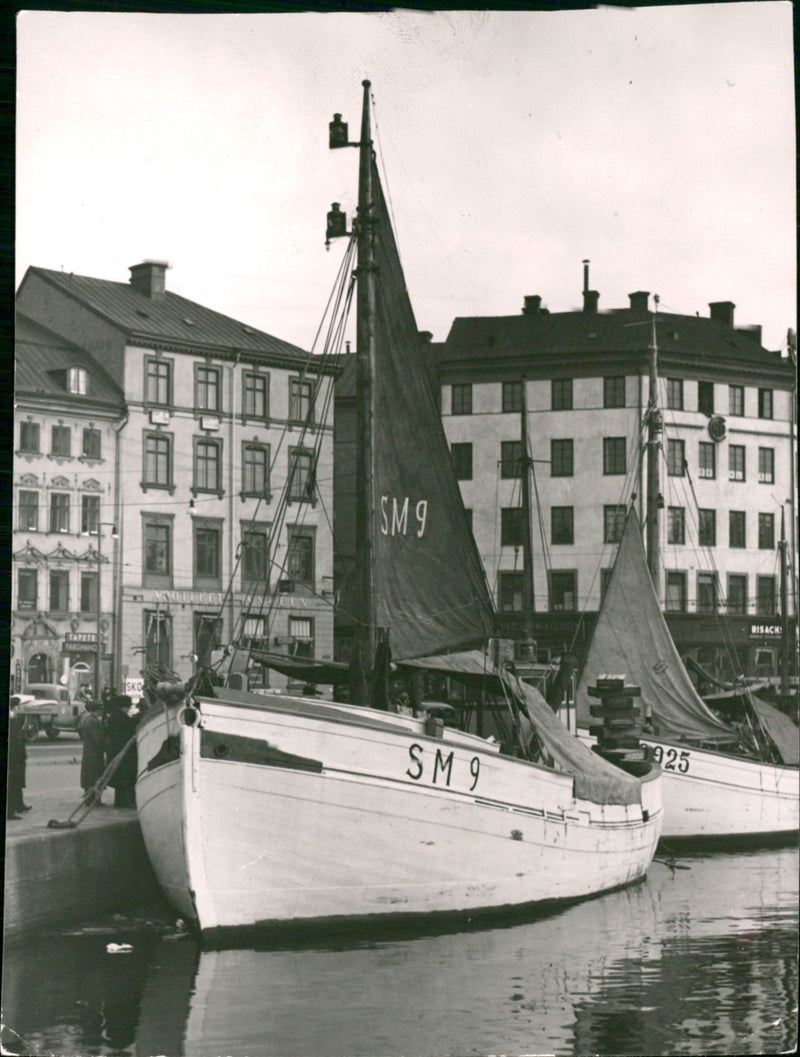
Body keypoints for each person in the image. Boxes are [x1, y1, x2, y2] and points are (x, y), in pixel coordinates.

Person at [104, 694, 138, 808]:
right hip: (124, 753)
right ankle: (125, 802)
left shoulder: (115, 717)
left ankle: (119, 801)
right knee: (125, 778)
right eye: (128, 706)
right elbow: (127, 732)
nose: (128, 709)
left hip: (116, 752)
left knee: (120, 779)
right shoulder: (122, 718)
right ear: (124, 707)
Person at [78, 698, 107, 803]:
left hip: (89, 752)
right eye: (101, 709)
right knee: (94, 777)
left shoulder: (87, 720)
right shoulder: (93, 721)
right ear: (96, 710)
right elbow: (98, 739)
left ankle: (92, 799)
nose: (102, 711)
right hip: (94, 753)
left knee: (90, 776)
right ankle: (92, 799)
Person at [7, 697, 30, 819]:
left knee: (18, 782)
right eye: (18, 707)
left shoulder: (15, 719)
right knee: (13, 782)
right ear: (15, 707)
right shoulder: (12, 720)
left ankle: (19, 805)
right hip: (14, 758)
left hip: (18, 757)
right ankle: (11, 810)